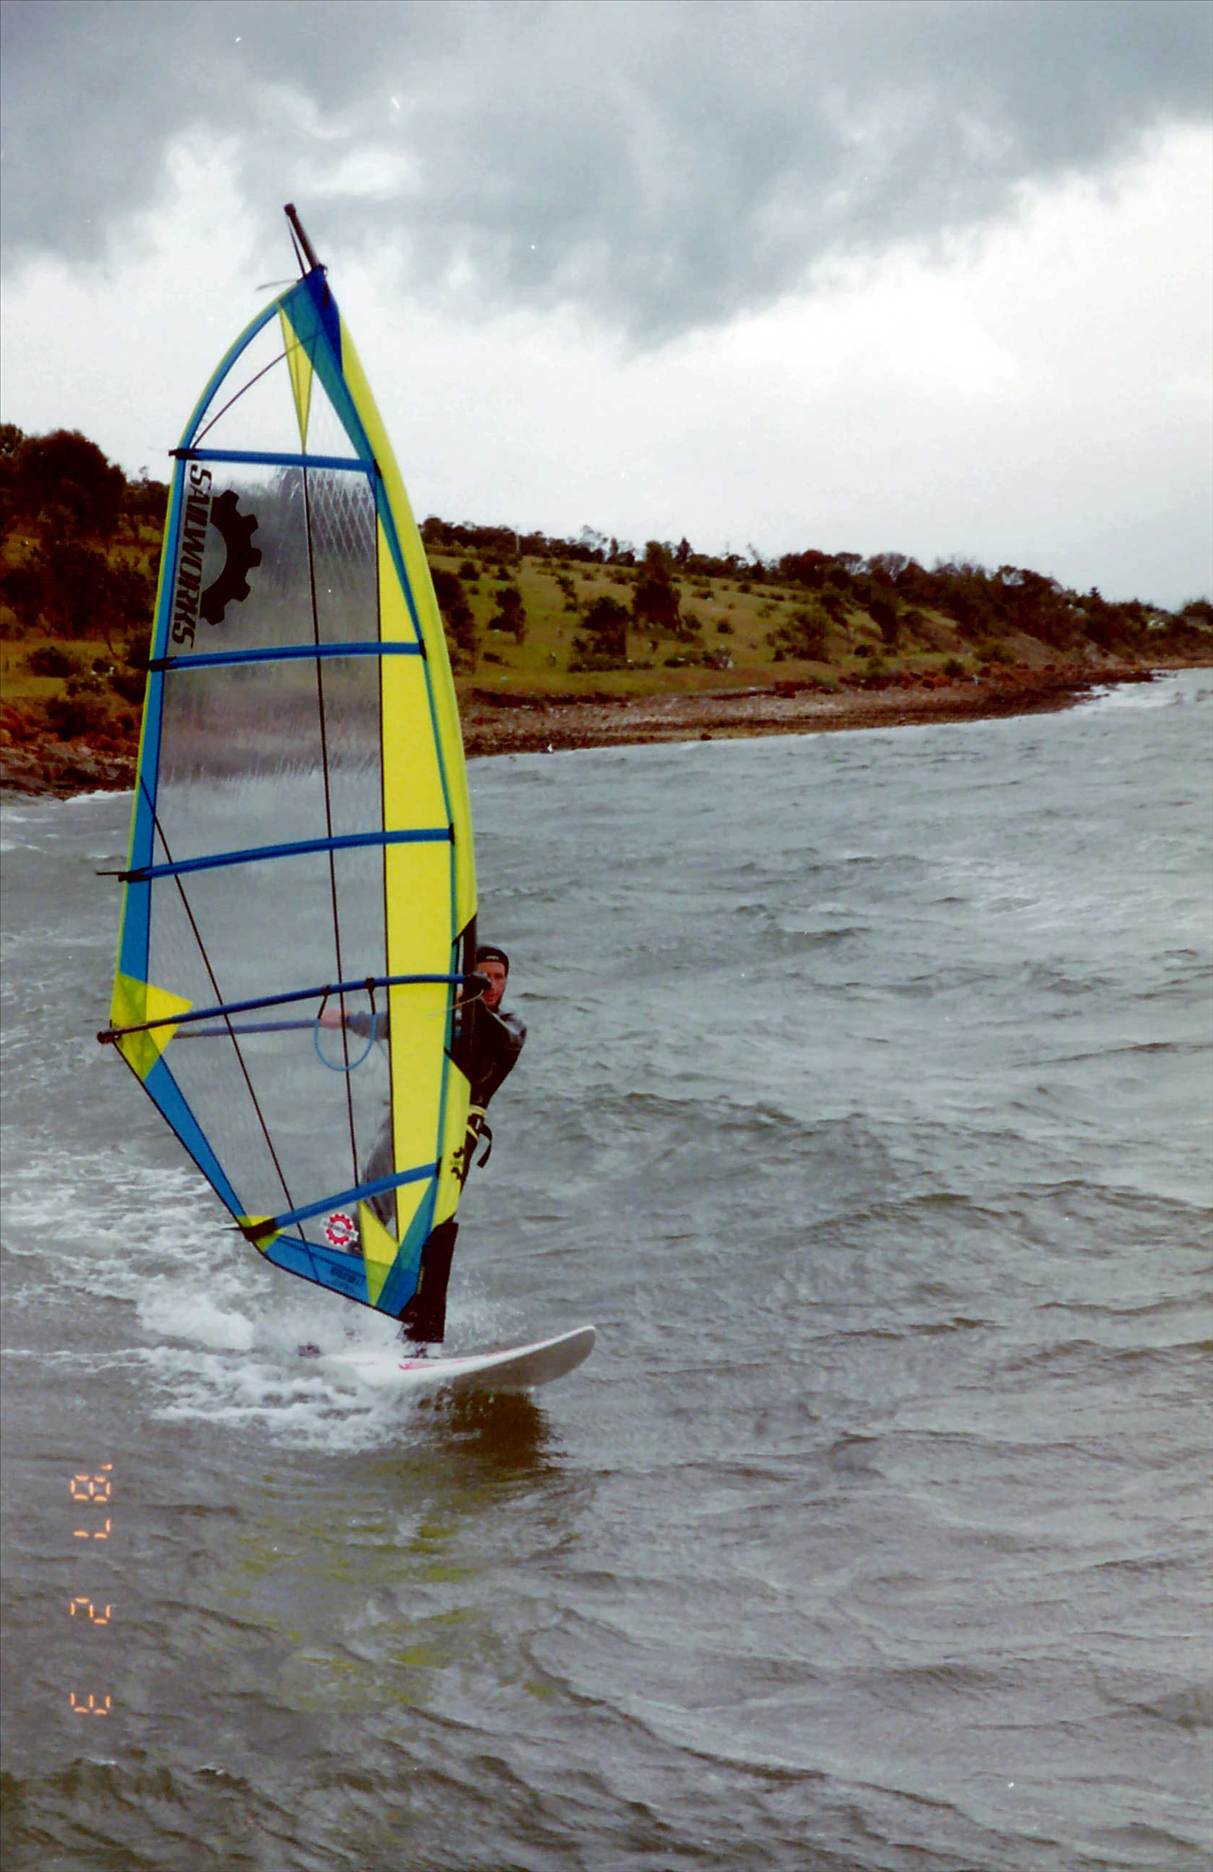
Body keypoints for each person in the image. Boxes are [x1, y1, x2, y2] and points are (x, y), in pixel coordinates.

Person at [319, 943, 526, 1349]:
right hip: (408, 1124)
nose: (491, 984)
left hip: (455, 1138)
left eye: (498, 978)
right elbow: (392, 1023)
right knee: (366, 1218)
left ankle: (419, 1338)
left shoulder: (510, 1025)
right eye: (483, 976)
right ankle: (347, 1327)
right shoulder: (442, 1014)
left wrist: (470, 998)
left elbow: (502, 1040)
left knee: (432, 1232)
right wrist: (347, 1019)